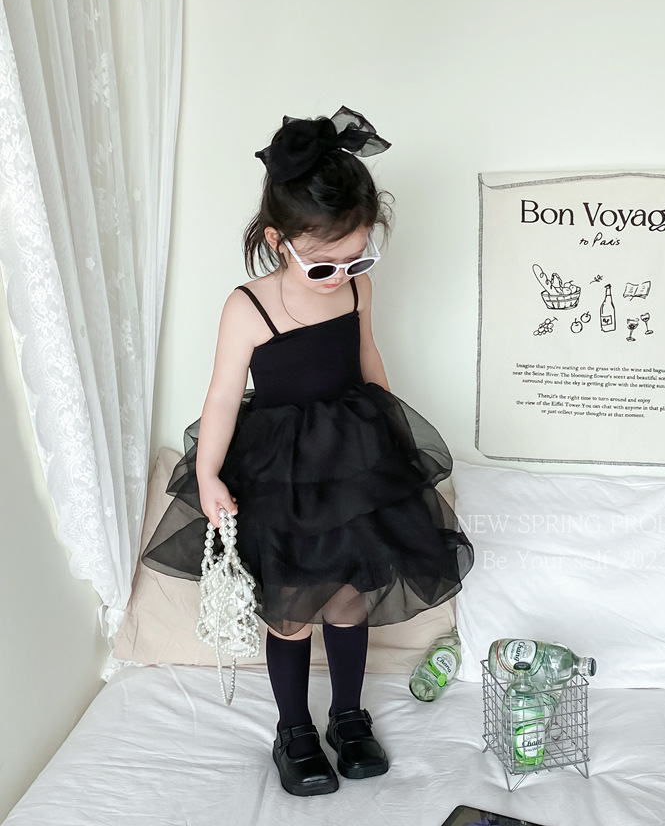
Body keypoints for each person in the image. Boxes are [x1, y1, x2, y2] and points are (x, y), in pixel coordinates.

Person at [141, 105, 474, 797]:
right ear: (278, 241)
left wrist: (393, 438)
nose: (343, 273)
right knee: (292, 611)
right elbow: (223, 397)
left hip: (353, 463)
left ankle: (348, 716)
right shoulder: (248, 306)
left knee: (350, 599)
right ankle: (293, 729)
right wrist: (209, 473)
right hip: (283, 474)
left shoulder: (357, 289)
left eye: (359, 258)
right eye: (326, 265)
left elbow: (368, 359)